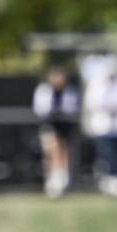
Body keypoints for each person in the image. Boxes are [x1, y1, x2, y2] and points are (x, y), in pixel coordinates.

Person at [83, 56, 117, 196]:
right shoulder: (97, 83)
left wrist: (115, 106)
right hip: (104, 126)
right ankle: (110, 180)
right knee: (107, 155)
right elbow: (92, 102)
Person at [32, 66, 80, 197]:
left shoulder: (70, 91)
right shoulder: (44, 91)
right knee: (51, 150)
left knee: (63, 151)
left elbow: (73, 108)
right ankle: (52, 178)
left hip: (65, 126)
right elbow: (39, 109)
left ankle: (62, 178)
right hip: (48, 124)